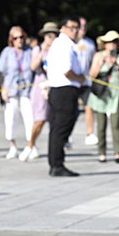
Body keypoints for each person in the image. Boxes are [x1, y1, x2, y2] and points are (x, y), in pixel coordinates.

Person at [46, 16, 85, 176]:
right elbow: (67, 71)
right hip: (64, 90)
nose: (75, 31)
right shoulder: (64, 44)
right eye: (72, 27)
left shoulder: (62, 44)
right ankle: (57, 164)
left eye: (77, 28)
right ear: (63, 28)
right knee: (61, 129)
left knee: (57, 128)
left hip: (59, 90)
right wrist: (80, 78)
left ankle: (55, 163)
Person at [87, 30, 119, 163]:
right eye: (109, 42)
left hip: (116, 93)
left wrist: (115, 64)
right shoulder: (98, 56)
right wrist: (101, 63)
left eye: (114, 42)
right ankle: (102, 152)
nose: (112, 44)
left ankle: (117, 152)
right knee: (101, 125)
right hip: (101, 93)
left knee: (115, 124)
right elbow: (91, 75)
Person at [0, 26, 34, 160]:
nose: (19, 40)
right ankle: (13, 146)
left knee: (29, 118)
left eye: (21, 37)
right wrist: (3, 89)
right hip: (11, 89)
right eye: (16, 38)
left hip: (26, 90)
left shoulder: (29, 51)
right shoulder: (7, 52)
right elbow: (0, 72)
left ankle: (31, 145)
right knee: (11, 118)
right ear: (11, 39)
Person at [26, 22, 58, 162]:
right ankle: (30, 144)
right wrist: (43, 50)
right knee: (39, 119)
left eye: (53, 35)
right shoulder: (38, 49)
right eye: (48, 35)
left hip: (55, 85)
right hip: (40, 87)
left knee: (55, 120)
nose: (51, 38)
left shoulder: (59, 49)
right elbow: (33, 66)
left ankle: (55, 149)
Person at [75, 17, 97, 146]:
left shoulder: (90, 43)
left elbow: (93, 61)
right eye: (80, 25)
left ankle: (89, 133)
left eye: (85, 26)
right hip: (73, 81)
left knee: (89, 106)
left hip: (87, 81)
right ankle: (68, 136)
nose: (83, 28)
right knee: (71, 109)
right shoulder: (71, 43)